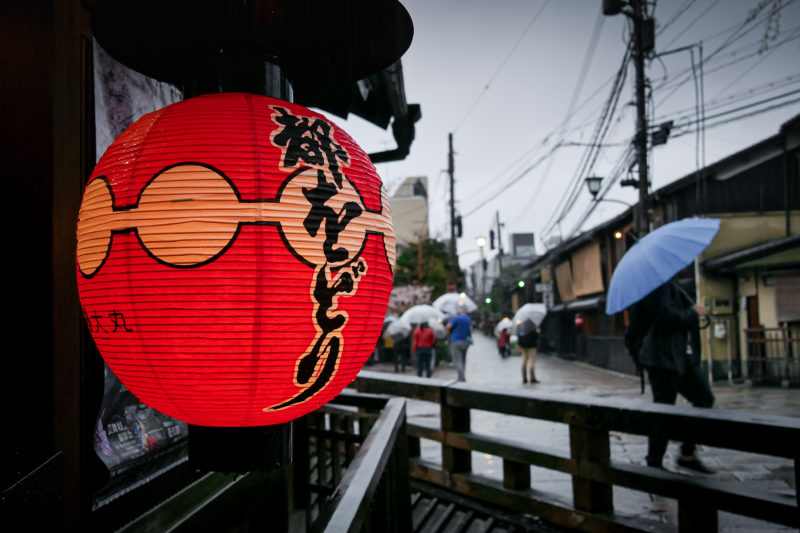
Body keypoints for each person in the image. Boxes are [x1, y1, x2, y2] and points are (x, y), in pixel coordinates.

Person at [628, 279, 715, 473]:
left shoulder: (671, 285)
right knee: (664, 410)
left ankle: (687, 453)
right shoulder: (654, 287)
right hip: (662, 358)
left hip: (681, 356)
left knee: (704, 398)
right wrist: (693, 313)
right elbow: (664, 318)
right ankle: (655, 461)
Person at [446, 310, 472, 381]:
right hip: (465, 341)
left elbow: (448, 327)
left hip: (456, 341)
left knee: (457, 361)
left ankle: (462, 378)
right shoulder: (468, 318)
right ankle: (461, 377)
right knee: (463, 360)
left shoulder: (457, 318)